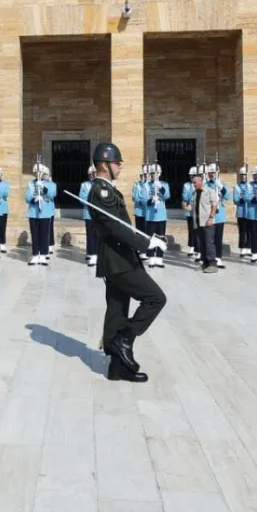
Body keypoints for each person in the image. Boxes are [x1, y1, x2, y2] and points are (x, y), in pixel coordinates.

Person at [86, 142, 166, 382]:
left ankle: (117, 368)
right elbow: (115, 227)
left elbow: (121, 225)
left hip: (117, 259)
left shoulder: (108, 190)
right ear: (103, 164)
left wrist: (146, 240)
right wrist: (146, 244)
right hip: (118, 259)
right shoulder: (101, 191)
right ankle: (124, 339)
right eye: (116, 162)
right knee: (155, 298)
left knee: (117, 309)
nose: (120, 166)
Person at [25, 163, 55, 265]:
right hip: (33, 213)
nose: (37, 174)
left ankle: (43, 254)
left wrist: (44, 189)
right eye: (36, 173)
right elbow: (27, 198)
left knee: (44, 234)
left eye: (39, 173)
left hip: (45, 212)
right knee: (35, 235)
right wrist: (34, 199)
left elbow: (52, 195)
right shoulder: (30, 184)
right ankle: (35, 255)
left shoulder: (50, 184)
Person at [140, 164, 169, 268]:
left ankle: (159, 258)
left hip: (161, 215)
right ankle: (151, 257)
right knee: (151, 238)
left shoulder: (164, 184)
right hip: (150, 216)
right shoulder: (146, 185)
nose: (154, 175)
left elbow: (167, 196)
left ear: (159, 174)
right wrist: (151, 201)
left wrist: (160, 187)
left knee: (161, 237)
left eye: (156, 173)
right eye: (152, 173)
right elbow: (143, 200)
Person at [190, 169, 218, 272]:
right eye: (193, 182)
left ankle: (213, 264)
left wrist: (211, 218)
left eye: (195, 182)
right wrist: (187, 207)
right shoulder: (194, 193)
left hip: (207, 222)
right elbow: (194, 206)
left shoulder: (210, 191)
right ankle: (205, 263)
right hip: (198, 222)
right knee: (201, 243)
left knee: (209, 243)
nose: (194, 184)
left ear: (201, 181)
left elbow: (214, 205)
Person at [80, 166, 98, 266]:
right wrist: (90, 201)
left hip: (99, 215)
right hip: (88, 214)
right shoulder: (84, 185)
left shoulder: (101, 184)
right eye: (91, 174)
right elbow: (81, 197)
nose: (92, 175)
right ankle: (91, 253)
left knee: (98, 235)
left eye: (94, 173)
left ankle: (97, 254)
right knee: (90, 235)